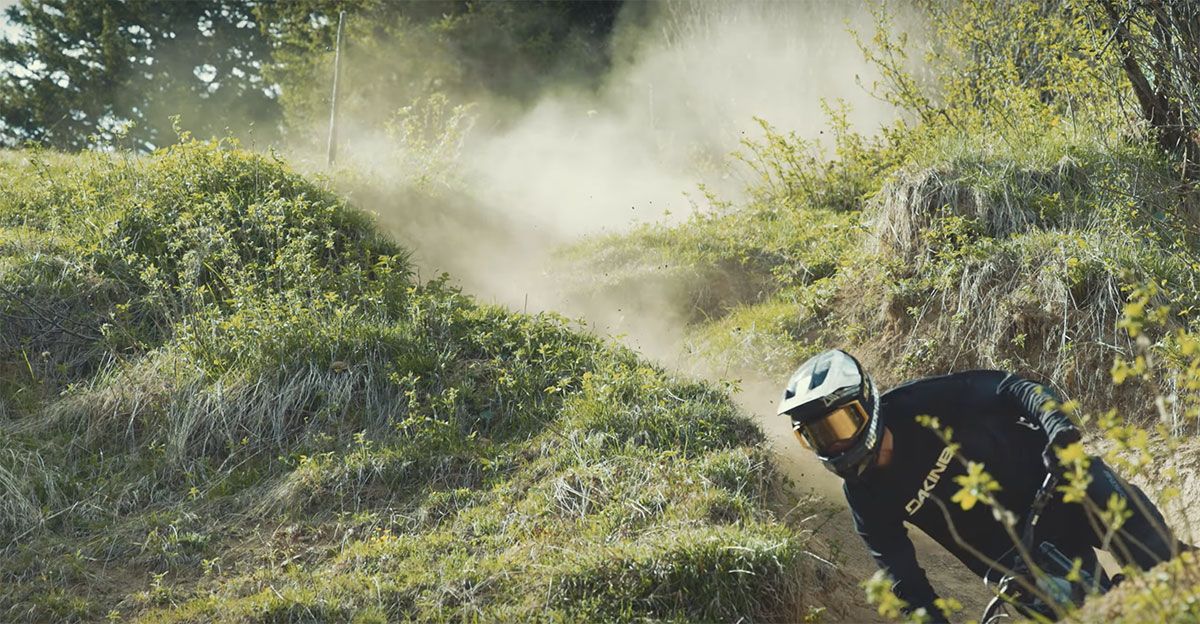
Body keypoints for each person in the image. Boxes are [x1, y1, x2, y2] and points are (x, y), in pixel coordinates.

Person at [778, 349, 1188, 623]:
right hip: (1019, 562)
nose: (834, 445)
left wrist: (1057, 429)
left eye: (838, 425)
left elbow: (1013, 388)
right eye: (816, 436)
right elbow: (906, 583)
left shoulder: (922, 404)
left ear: (866, 403)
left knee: (1163, 560)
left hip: (1063, 488)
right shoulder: (865, 498)